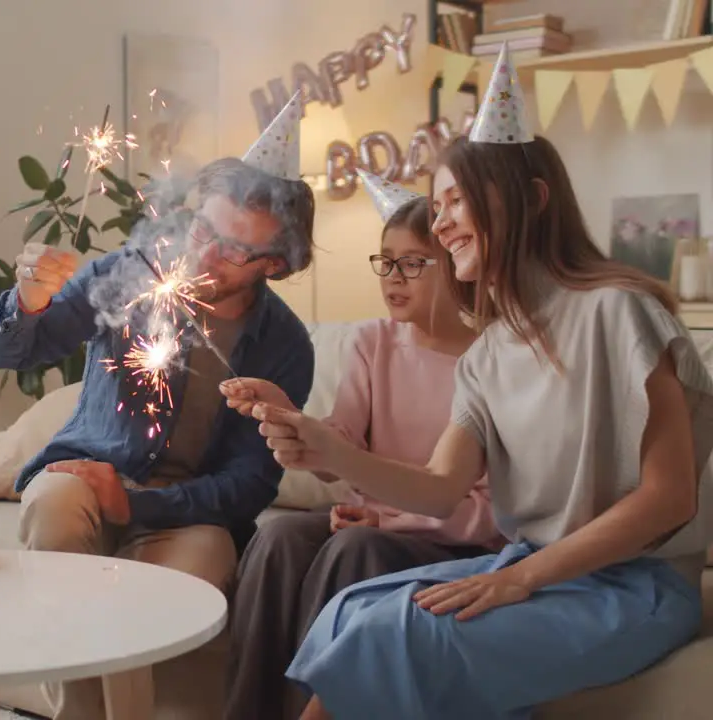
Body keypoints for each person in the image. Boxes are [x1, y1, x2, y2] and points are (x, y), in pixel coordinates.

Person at [253, 48, 713, 719]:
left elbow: (670, 497)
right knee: (352, 611)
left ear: (530, 199)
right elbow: (439, 488)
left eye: (453, 202)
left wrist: (522, 578)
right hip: (540, 573)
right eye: (434, 207)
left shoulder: (618, 312)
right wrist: (329, 449)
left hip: (632, 584)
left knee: (403, 632)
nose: (437, 225)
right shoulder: (488, 355)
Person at [0, 94, 317, 720]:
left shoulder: (285, 346)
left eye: (234, 250)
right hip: (85, 473)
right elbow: (8, 352)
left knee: (201, 568)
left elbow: (247, 485)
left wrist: (139, 504)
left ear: (274, 263)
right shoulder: (130, 272)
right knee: (52, 508)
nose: (205, 254)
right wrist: (23, 300)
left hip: (188, 510)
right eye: (203, 230)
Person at [218, 174, 503, 720]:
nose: (393, 279)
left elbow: (490, 515)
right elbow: (339, 450)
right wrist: (292, 419)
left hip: (454, 545)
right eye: (386, 261)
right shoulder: (374, 342)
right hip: (374, 523)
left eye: (414, 263)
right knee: (279, 537)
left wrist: (389, 522)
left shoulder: (493, 360)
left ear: (461, 262)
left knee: (354, 549)